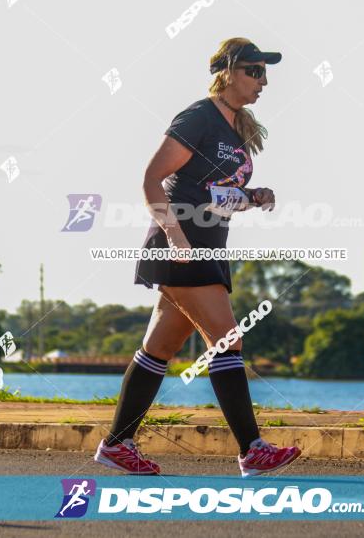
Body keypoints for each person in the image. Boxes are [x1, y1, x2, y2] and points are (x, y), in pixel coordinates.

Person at [93, 37, 301, 477]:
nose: (263, 81)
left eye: (266, 72)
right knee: (227, 341)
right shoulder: (199, 117)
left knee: (159, 349)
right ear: (228, 71)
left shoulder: (235, 128)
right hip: (181, 248)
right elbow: (152, 179)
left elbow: (213, 193)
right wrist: (174, 235)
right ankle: (252, 449)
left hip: (206, 246)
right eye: (255, 71)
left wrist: (251, 196)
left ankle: (116, 444)